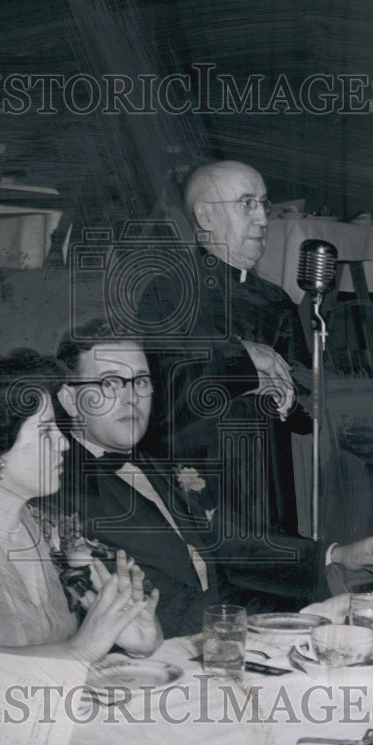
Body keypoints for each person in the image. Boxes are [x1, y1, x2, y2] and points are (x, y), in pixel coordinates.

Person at [52, 321, 373, 638]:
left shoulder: (154, 462)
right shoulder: (59, 493)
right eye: (110, 383)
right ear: (69, 399)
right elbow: (156, 608)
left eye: (140, 381)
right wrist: (286, 623)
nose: (131, 397)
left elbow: (230, 544)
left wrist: (333, 555)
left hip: (224, 630)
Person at [0, 352, 162, 661]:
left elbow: (102, 624)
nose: (64, 443)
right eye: (46, 432)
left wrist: (138, 635)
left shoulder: (52, 530)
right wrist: (81, 649)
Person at [135, 160, 312, 533]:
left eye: (264, 204)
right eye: (247, 203)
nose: (263, 219)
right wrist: (243, 359)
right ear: (206, 215)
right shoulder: (169, 293)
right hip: (202, 485)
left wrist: (290, 395)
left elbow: (308, 408)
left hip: (270, 488)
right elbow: (163, 396)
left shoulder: (277, 299)